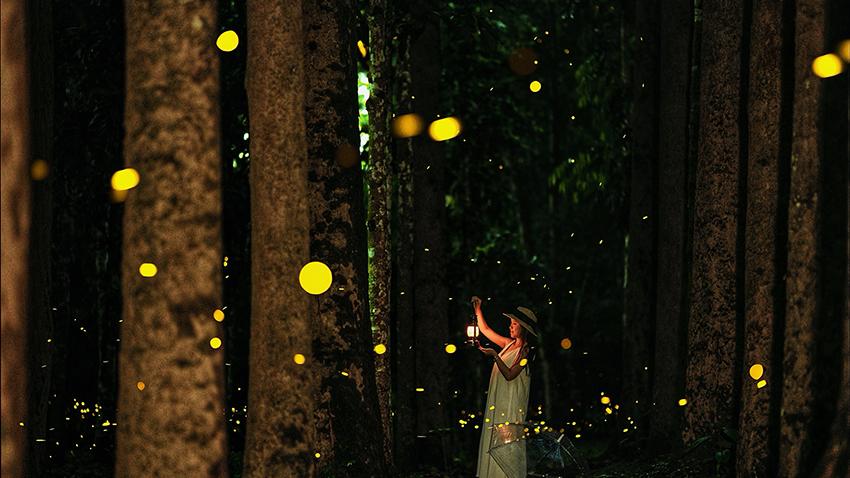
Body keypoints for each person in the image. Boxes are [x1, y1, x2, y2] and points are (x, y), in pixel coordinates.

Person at [472, 296, 539, 478]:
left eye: (514, 324)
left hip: (510, 405)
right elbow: (485, 330)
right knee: (492, 440)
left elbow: (510, 374)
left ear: (524, 329)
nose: (510, 326)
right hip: (498, 402)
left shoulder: (526, 353)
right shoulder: (508, 344)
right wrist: (478, 309)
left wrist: (494, 354)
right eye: (510, 323)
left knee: (506, 444)